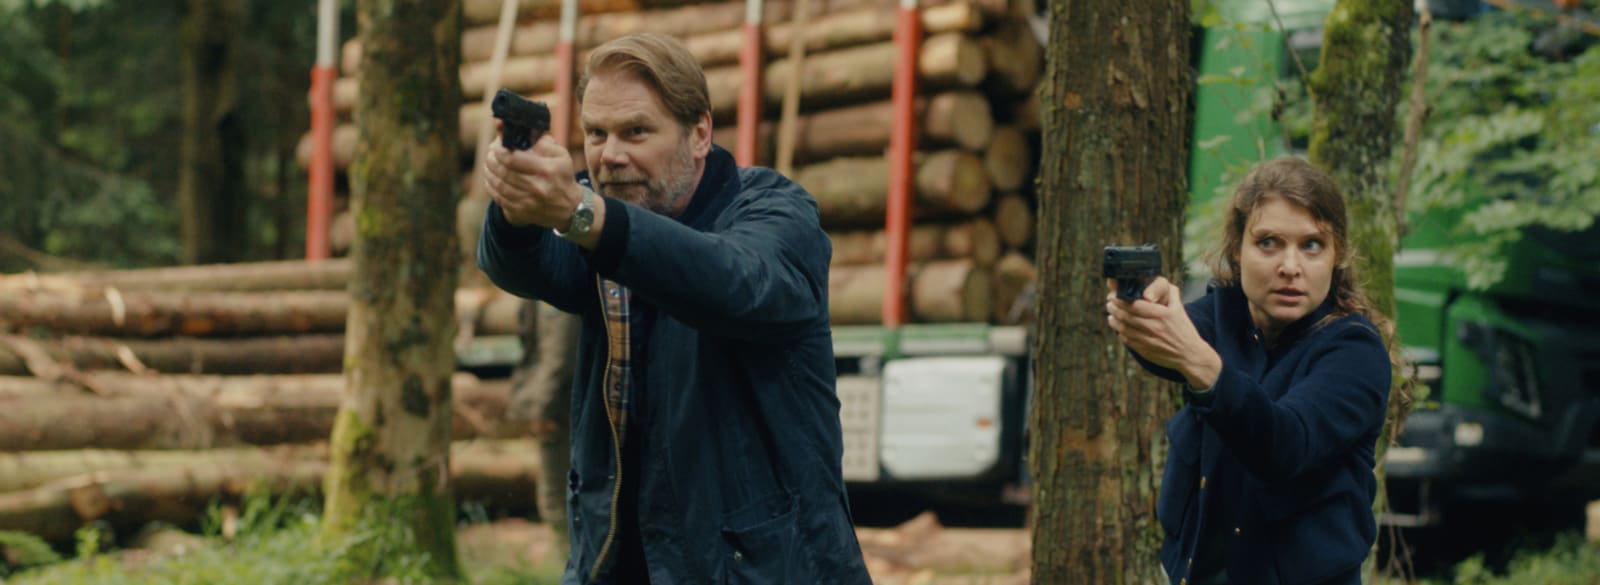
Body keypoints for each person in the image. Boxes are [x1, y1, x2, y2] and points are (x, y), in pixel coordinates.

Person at [477, 32, 871, 585]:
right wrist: (518, 208)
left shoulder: (776, 212)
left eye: (636, 131)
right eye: (596, 133)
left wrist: (584, 215)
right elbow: (523, 265)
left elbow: (734, 281)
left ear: (700, 133)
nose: (611, 154)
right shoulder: (597, 214)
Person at [1105, 157, 1394, 585]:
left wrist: (1198, 363)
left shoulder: (1355, 350)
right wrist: (1146, 309)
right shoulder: (1226, 314)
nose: (1290, 267)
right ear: (1238, 249)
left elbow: (1285, 444)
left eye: (1311, 245)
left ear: (1337, 257)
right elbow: (1164, 348)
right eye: (1269, 242)